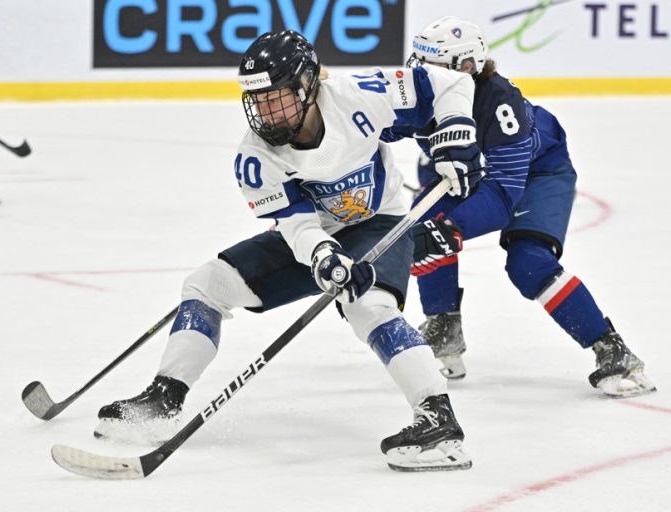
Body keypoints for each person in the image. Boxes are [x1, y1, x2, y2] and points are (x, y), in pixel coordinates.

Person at [95, 30, 486, 471]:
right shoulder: (255, 156)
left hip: (379, 222)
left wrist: (455, 132)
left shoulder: (359, 96)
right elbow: (296, 223)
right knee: (207, 284)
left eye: (275, 96)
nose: (264, 111)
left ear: (308, 84)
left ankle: (439, 422)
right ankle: (165, 397)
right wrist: (323, 254)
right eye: (256, 99)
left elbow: (449, 82)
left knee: (369, 307)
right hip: (315, 236)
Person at [395, 17, 654, 397]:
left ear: (467, 68)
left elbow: (501, 195)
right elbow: (369, 132)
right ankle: (443, 326)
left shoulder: (501, 104)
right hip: (480, 171)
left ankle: (610, 348)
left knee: (527, 262)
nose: (421, 74)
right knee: (415, 226)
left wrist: (450, 228)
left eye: (434, 66)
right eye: (419, 61)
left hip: (537, 173)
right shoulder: (420, 91)